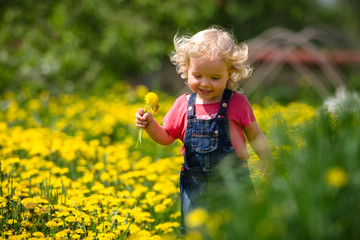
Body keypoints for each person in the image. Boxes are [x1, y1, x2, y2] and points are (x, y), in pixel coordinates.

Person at [135, 26, 271, 234]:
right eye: (197, 75)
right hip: (194, 185)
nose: (205, 83)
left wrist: (266, 157)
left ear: (230, 73)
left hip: (233, 182)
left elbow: (254, 134)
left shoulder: (238, 103)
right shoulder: (183, 104)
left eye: (215, 78)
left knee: (236, 230)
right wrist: (151, 125)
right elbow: (166, 136)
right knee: (195, 232)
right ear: (186, 68)